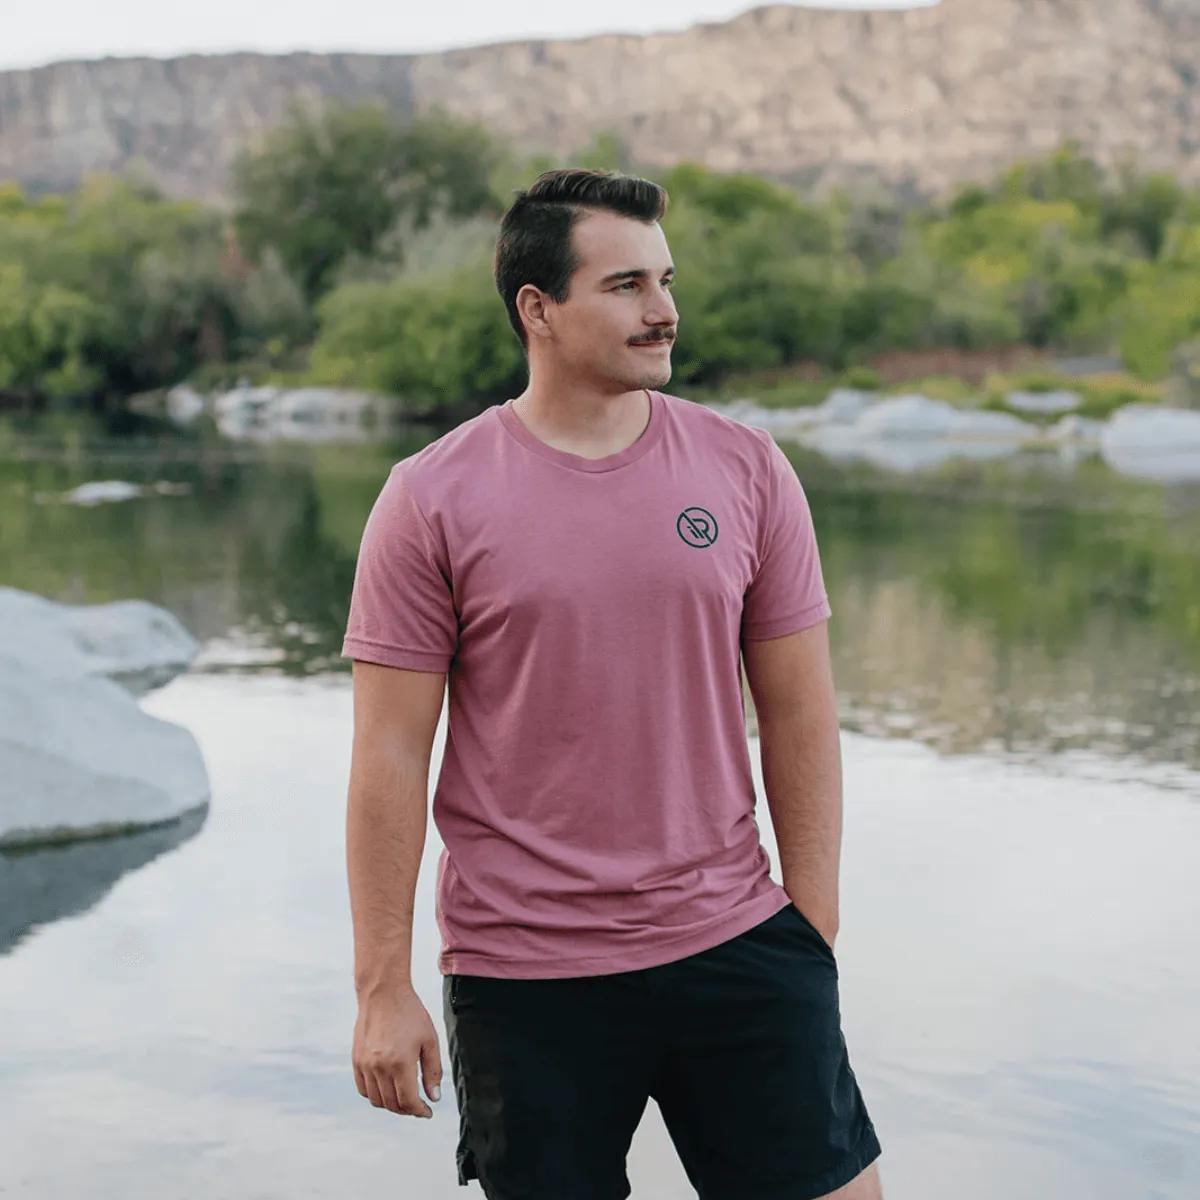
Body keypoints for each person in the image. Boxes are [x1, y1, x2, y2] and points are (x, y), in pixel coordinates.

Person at [343, 168, 884, 1200]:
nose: (664, 309)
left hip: (736, 943)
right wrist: (382, 986)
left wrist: (809, 931)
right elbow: (389, 754)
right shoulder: (430, 499)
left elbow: (802, 713)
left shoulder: (748, 469)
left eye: (666, 280)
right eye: (627, 284)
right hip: (526, 976)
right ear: (537, 310)